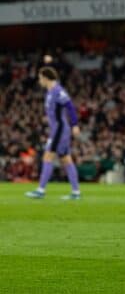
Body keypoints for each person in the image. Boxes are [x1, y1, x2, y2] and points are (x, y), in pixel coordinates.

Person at [25, 66, 81, 200]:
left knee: (47, 157)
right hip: (57, 129)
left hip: (60, 130)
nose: (39, 81)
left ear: (45, 77)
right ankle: (76, 192)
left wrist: (74, 124)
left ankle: (41, 190)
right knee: (66, 159)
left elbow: (70, 106)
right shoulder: (50, 92)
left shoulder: (57, 91)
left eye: (40, 78)